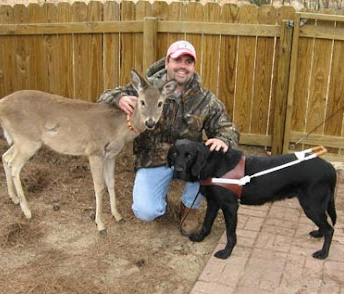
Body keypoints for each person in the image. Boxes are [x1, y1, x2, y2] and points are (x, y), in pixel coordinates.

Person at [98, 40, 239, 236]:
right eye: (178, 60)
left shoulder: (205, 99)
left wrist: (223, 139)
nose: (183, 66)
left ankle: (189, 206)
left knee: (216, 154)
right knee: (145, 211)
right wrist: (119, 99)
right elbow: (105, 96)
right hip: (154, 159)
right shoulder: (147, 88)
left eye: (188, 62)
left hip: (189, 161)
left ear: (193, 67)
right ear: (167, 62)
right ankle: (158, 197)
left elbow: (227, 128)